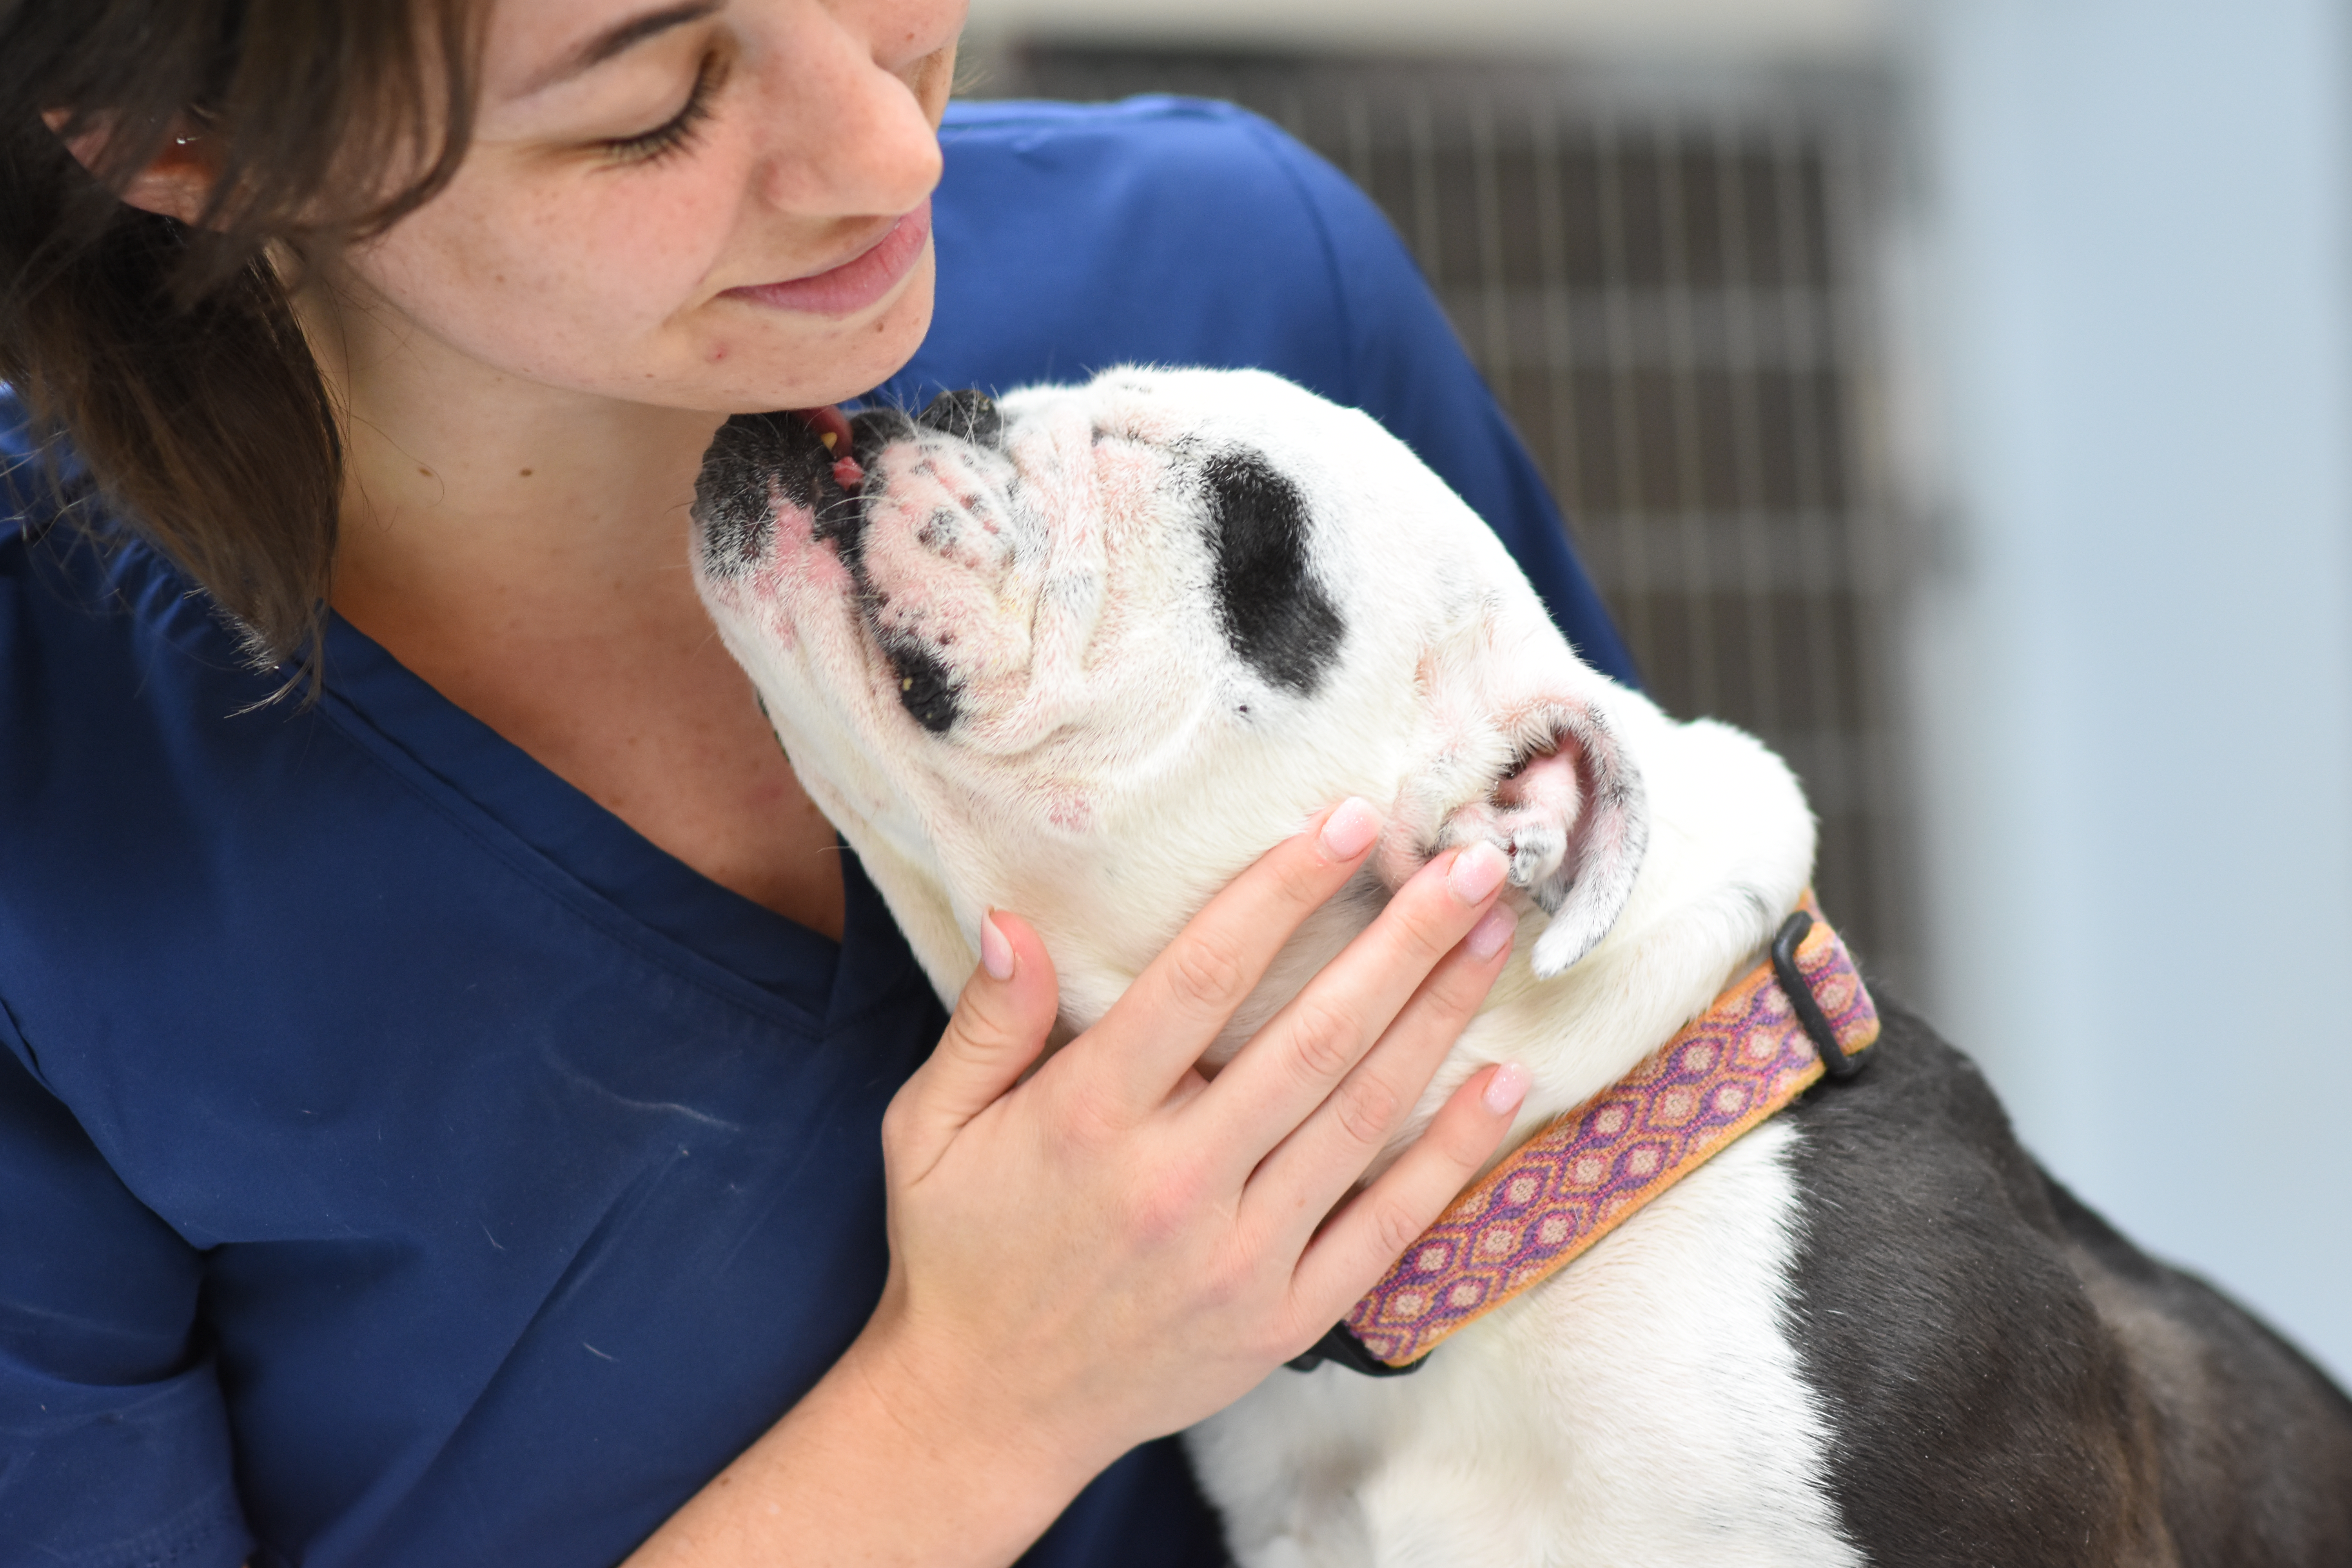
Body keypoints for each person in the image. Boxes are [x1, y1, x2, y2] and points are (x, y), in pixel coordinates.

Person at [0, 2, 1636, 1564]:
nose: (888, 153)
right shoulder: (56, 789)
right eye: (652, 104)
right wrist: (975, 1409)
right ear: (187, 144)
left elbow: (1747, 1179)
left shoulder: (1245, 309)